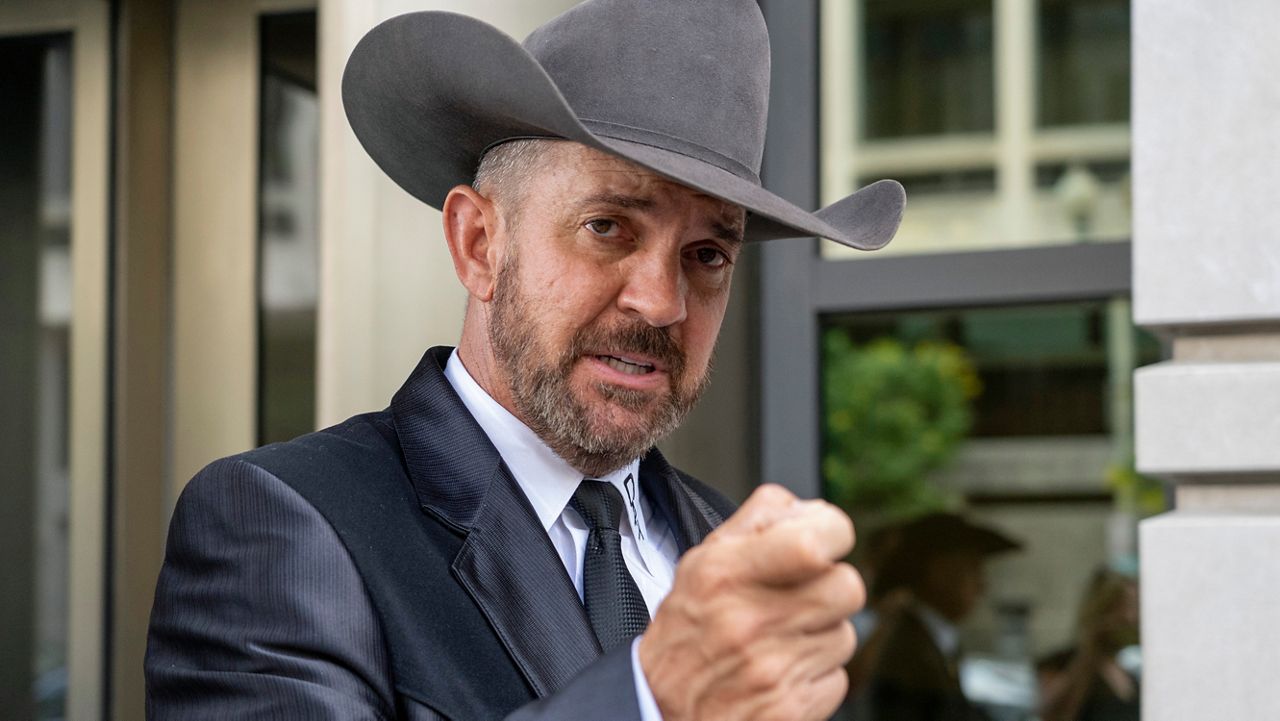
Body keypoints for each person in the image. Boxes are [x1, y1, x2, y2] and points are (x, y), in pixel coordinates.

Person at [144, 1, 907, 720]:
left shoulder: (729, 544)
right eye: (607, 226)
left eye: (707, 253)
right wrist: (649, 696)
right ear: (479, 244)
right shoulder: (285, 525)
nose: (662, 301)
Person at [860, 513, 1021, 721]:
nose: (982, 586)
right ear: (940, 572)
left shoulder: (929, 639)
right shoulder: (907, 649)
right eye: (973, 569)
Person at [1036, 568, 1141, 721]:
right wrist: (1091, 644)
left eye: (1134, 607)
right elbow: (1052, 711)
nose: (1131, 618)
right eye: (1123, 608)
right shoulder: (1060, 663)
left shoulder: (1131, 664)